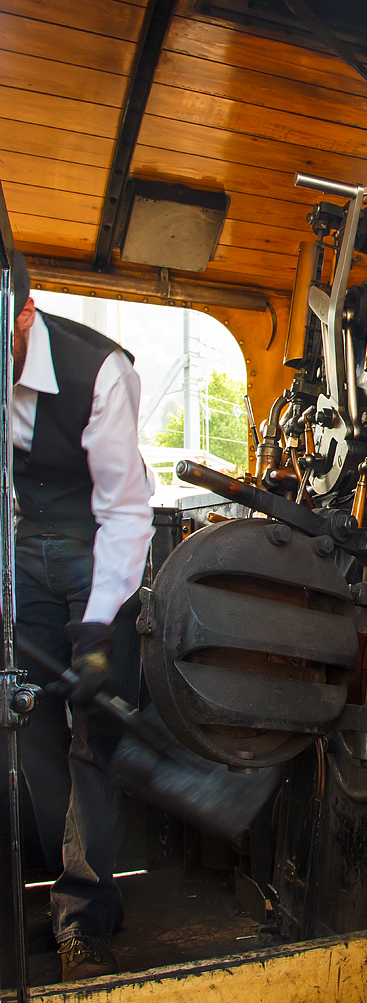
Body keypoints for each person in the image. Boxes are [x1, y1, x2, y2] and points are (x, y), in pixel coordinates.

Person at [11, 251, 154, 983]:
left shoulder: (99, 371)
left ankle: (85, 919)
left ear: (24, 315)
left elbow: (126, 512)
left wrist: (98, 628)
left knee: (93, 736)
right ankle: (59, 892)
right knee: (30, 726)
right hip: (19, 547)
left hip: (96, 547)